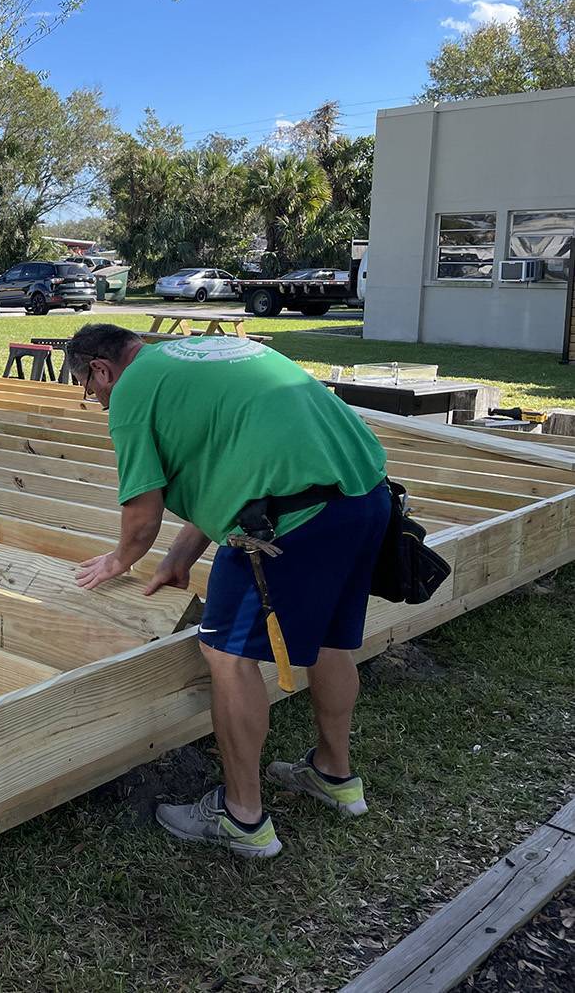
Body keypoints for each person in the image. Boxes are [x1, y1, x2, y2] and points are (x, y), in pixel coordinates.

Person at [65, 324, 390, 858]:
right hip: (364, 496)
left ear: (102, 369)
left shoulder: (133, 390)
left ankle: (242, 817)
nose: (94, 399)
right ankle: (334, 776)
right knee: (331, 638)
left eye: (89, 388)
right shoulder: (193, 360)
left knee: (225, 653)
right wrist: (179, 559)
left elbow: (142, 513)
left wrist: (121, 559)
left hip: (289, 521)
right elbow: (228, 471)